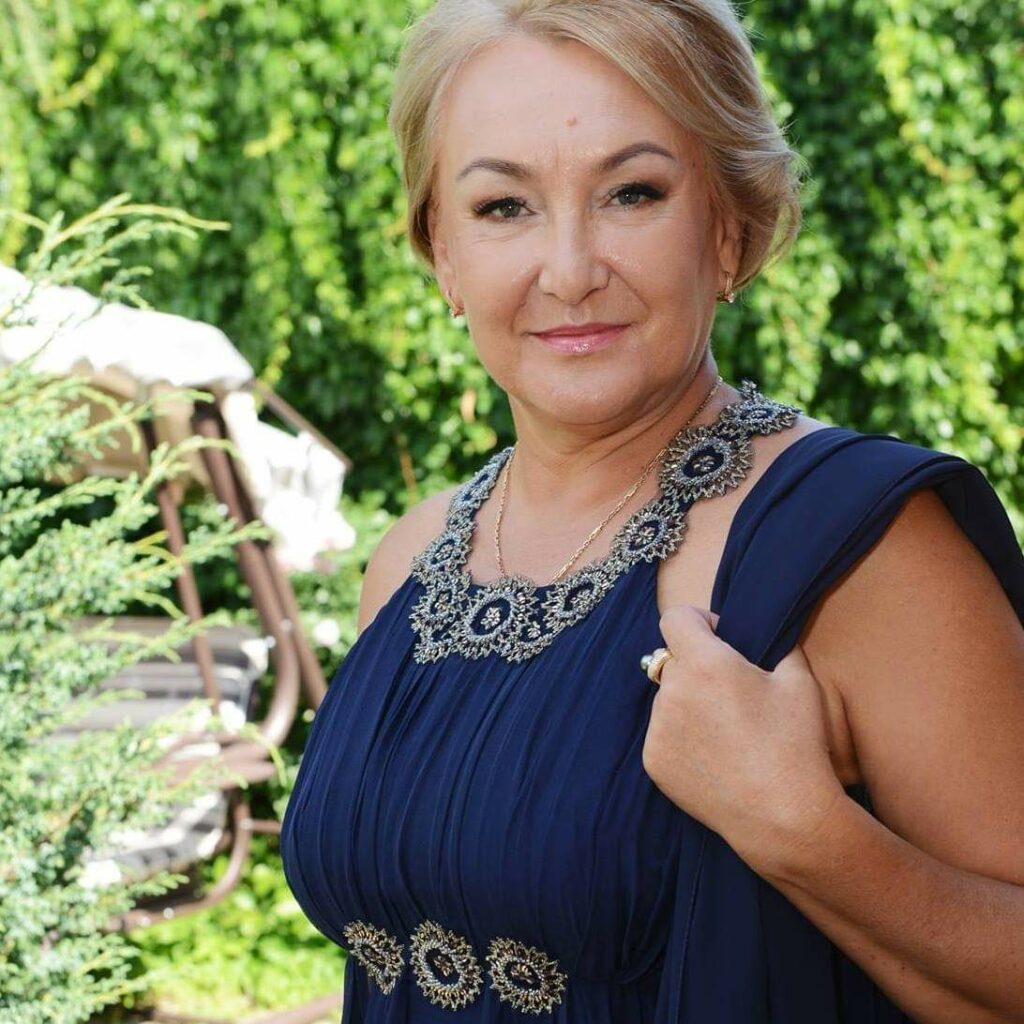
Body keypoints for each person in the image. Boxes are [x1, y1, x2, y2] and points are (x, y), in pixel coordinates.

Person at [280, 2, 1024, 1020]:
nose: (570, 271)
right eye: (503, 206)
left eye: (631, 193)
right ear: (441, 252)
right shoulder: (408, 558)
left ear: (728, 227)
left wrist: (804, 832)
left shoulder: (858, 544)